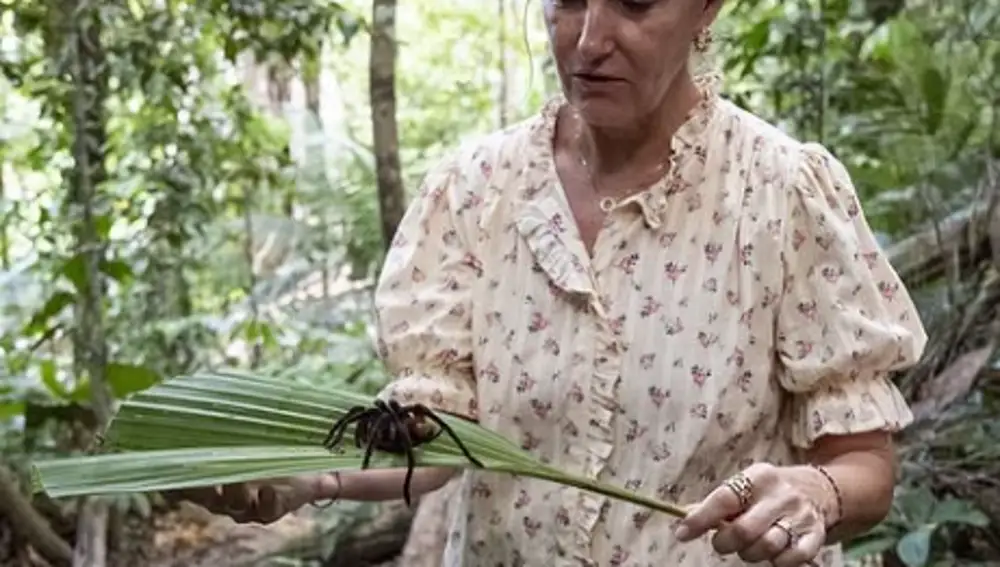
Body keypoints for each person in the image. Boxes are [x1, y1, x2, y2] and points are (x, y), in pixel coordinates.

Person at [173, 0, 927, 565]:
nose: (590, 40)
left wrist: (814, 496)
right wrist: (305, 478)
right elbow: (433, 437)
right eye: (566, 0)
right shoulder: (474, 193)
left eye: (634, 3)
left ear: (707, 8)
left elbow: (866, 468)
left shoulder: (781, 193)